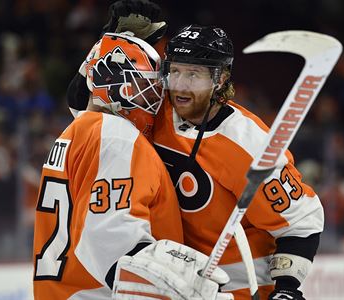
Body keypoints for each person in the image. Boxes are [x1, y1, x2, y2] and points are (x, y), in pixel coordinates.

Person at [66, 2, 324, 300]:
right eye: (175, 72)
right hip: (169, 283)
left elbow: (302, 222)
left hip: (238, 289)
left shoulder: (247, 142)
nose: (181, 86)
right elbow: (83, 108)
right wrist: (109, 45)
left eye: (195, 75)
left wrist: (287, 290)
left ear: (221, 79)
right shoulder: (154, 108)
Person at [33, 32, 231, 300]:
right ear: (112, 83)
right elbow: (111, 236)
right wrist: (176, 289)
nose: (154, 98)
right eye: (141, 85)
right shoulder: (115, 134)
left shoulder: (75, 133)